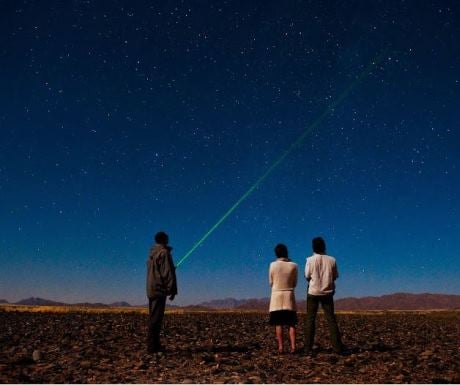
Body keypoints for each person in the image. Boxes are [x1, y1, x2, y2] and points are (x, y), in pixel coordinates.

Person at [304, 236, 344, 355]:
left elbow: (307, 276)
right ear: (324, 246)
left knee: (310, 319)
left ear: (313, 247)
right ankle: (337, 348)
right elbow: (335, 276)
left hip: (313, 292)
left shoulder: (310, 260)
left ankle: (307, 348)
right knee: (331, 319)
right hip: (327, 292)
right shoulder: (332, 260)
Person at [146, 231, 178, 353]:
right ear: (165, 240)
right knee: (156, 319)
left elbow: (159, 271)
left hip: (151, 289)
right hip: (159, 289)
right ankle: (152, 347)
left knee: (154, 317)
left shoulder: (152, 255)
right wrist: (172, 290)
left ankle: (154, 345)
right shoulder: (164, 253)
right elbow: (167, 273)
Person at [269, 243, 298, 354]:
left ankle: (281, 347)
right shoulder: (294, 265)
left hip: (276, 296)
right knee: (291, 323)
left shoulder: (272, 265)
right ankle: (293, 347)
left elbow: (271, 282)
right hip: (289, 296)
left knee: (278, 323)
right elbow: (294, 283)